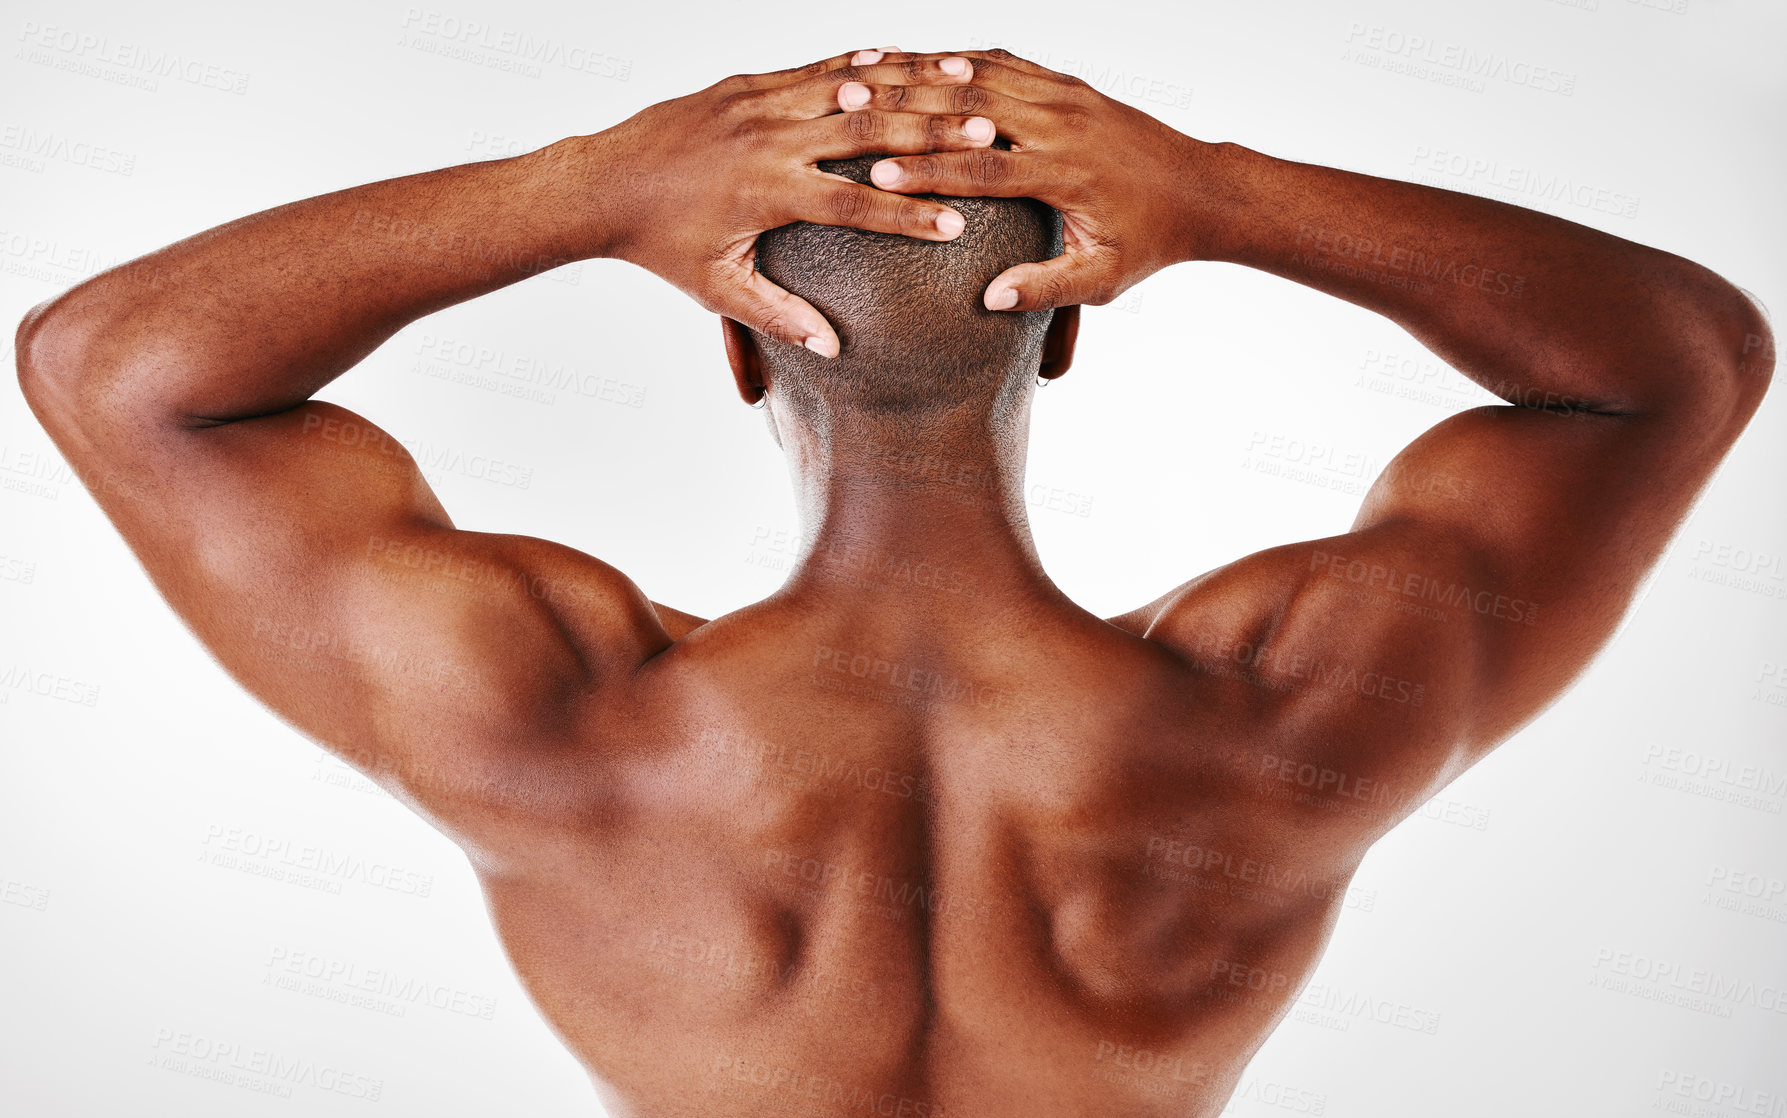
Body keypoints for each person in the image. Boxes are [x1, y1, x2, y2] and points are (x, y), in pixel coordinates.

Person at [15, 44, 1771, 1117]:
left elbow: (111, 365)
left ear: (735, 351)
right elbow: (1677, 358)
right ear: (1071, 335)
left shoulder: (544, 715)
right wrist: (1224, 195)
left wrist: (595, 184)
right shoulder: (1287, 709)